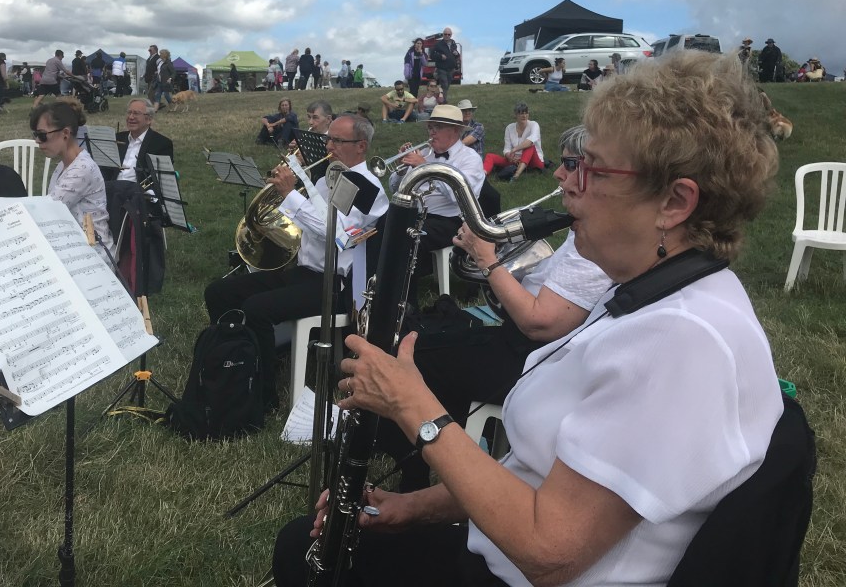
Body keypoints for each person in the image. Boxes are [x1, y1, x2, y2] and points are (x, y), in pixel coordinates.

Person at [273, 51, 784, 587]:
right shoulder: (648, 294)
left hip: (523, 570)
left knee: (301, 558)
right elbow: (538, 475)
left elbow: (550, 552)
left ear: (674, 202)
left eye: (591, 168)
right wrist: (410, 508)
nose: (565, 180)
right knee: (300, 544)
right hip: (499, 551)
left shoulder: (678, 339)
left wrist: (410, 403)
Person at [378, 125, 612, 492]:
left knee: (411, 356)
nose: (557, 173)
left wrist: (488, 259)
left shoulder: (598, 243)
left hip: (535, 360)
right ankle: (429, 446)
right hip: (524, 346)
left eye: (570, 164)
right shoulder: (581, 231)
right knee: (430, 336)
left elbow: (539, 323)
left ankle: (415, 471)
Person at [204, 114, 388, 410]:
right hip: (304, 271)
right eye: (328, 139)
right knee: (219, 292)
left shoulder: (368, 189)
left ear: (361, 146)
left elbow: (337, 234)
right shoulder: (326, 178)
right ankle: (233, 363)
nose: (329, 146)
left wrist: (291, 194)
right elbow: (305, 222)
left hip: (335, 285)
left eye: (337, 140)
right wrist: (283, 201)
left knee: (256, 309)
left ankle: (263, 395)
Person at [387, 104, 484, 300]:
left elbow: (458, 197)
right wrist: (402, 169)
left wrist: (427, 167)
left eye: (437, 127)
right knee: (381, 227)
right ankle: (383, 286)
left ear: (455, 130)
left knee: (407, 237)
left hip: (450, 221)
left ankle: (404, 300)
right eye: (430, 127)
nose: (432, 132)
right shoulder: (425, 152)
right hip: (416, 214)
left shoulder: (470, 159)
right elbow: (395, 188)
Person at [28, 99, 113, 253]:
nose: (37, 141)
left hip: (93, 251)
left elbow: (48, 210)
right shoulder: (64, 165)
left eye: (42, 135)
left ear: (65, 133)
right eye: (36, 134)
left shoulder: (82, 169)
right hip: (72, 242)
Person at [101, 97, 174, 186]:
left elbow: (160, 179)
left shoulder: (161, 144)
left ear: (149, 119)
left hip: (138, 192)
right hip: (111, 189)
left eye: (136, 113)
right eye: (129, 112)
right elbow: (105, 170)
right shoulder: (117, 139)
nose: (131, 117)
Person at [483, 101, 544, 182]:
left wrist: (514, 149)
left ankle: (516, 175)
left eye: (526, 113)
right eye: (521, 113)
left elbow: (530, 141)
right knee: (490, 156)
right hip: (516, 161)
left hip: (533, 162)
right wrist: (509, 155)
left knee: (530, 147)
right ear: (516, 115)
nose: (524, 116)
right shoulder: (509, 128)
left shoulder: (534, 125)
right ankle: (482, 176)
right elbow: (506, 148)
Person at [431, 28, 458, 99]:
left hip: (451, 69)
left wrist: (456, 54)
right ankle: (443, 101)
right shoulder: (438, 44)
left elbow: (456, 55)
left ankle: (439, 97)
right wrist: (440, 56)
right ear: (443, 35)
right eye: (445, 34)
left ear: (451, 35)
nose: (447, 36)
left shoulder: (453, 43)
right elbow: (432, 55)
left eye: (449, 34)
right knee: (444, 85)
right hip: (442, 68)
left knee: (447, 85)